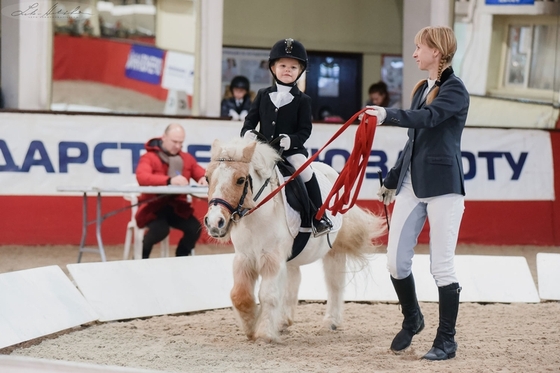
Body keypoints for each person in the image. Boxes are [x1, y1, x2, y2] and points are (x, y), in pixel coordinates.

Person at [366, 26, 469, 361]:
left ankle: (446, 341)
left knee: (441, 266)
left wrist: (388, 115)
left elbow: (428, 119)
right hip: (412, 183)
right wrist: (393, 178)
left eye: (418, 48)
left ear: (436, 51)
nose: (414, 54)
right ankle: (413, 317)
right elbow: (414, 140)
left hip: (444, 187)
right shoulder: (420, 88)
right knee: (395, 262)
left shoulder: (455, 90)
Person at [240, 38, 332, 236]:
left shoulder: (303, 100)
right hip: (264, 152)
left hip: (291, 152)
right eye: (282, 65)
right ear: (273, 67)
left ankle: (318, 216)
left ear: (300, 71)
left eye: (293, 67)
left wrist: (291, 140)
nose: (287, 70)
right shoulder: (263, 94)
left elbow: (305, 131)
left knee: (305, 171)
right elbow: (249, 122)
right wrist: (247, 133)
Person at [135, 123, 208, 259]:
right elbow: (142, 177)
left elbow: (199, 172)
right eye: (174, 142)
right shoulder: (149, 157)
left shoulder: (186, 158)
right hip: (153, 207)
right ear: (164, 137)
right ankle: (142, 257)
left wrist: (204, 178)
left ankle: (181, 257)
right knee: (160, 230)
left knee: (194, 228)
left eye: (181, 143)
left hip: (177, 207)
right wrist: (169, 180)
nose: (178, 146)